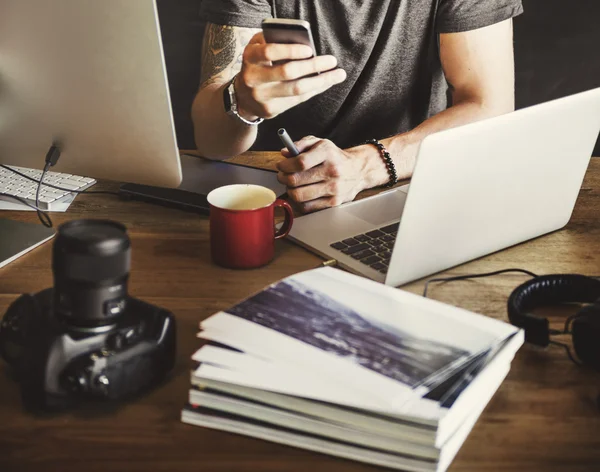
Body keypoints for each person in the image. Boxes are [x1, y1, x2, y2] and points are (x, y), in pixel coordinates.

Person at [193, 1, 523, 213]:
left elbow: (489, 107)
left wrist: (365, 166)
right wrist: (243, 102)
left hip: (413, 191)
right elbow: (212, 142)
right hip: (282, 198)